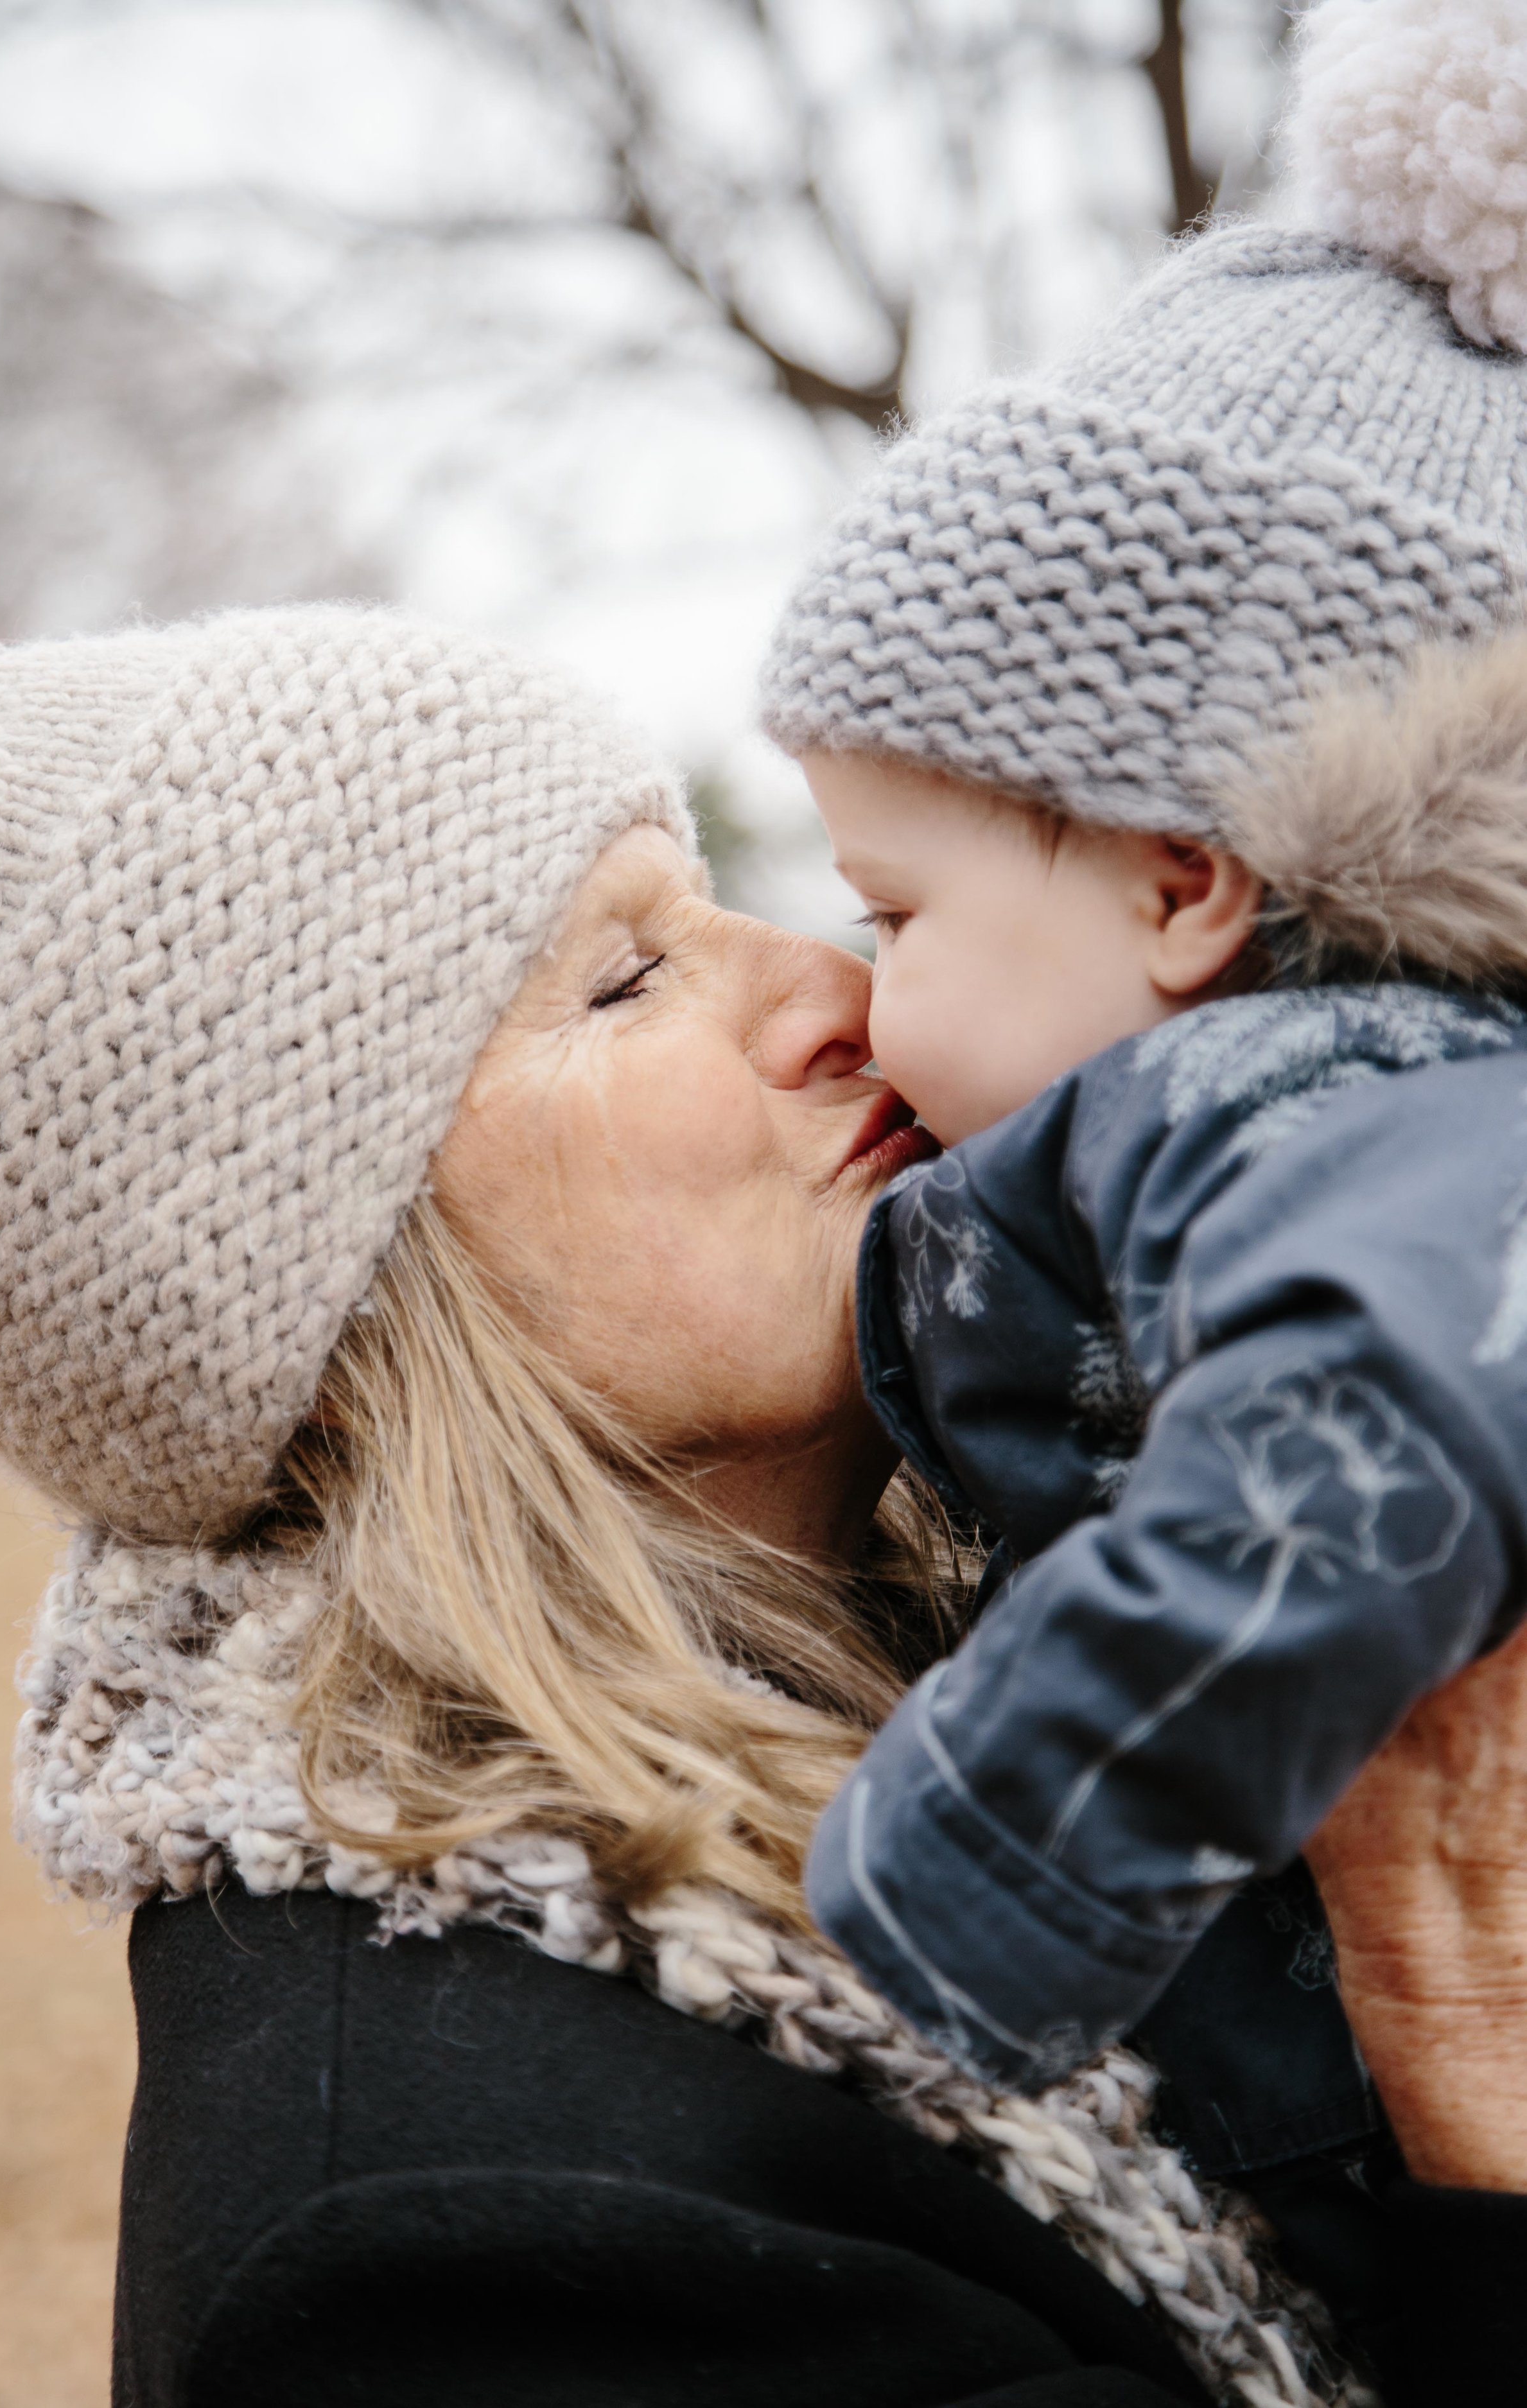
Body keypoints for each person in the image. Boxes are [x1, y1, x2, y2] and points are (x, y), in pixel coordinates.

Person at [0, 604, 1519, 2408]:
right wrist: (1471, 2062)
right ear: (331, 1304)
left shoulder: (1080, 1630)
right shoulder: (465, 2251)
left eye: (712, 906)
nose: (839, 995)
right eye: (618, 984)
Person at [756, 0, 1527, 2177]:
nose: (858, 986)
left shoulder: (1342, 1093)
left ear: (1183, 883)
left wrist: (975, 1874)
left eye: (896, 914)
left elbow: (1377, 1419)